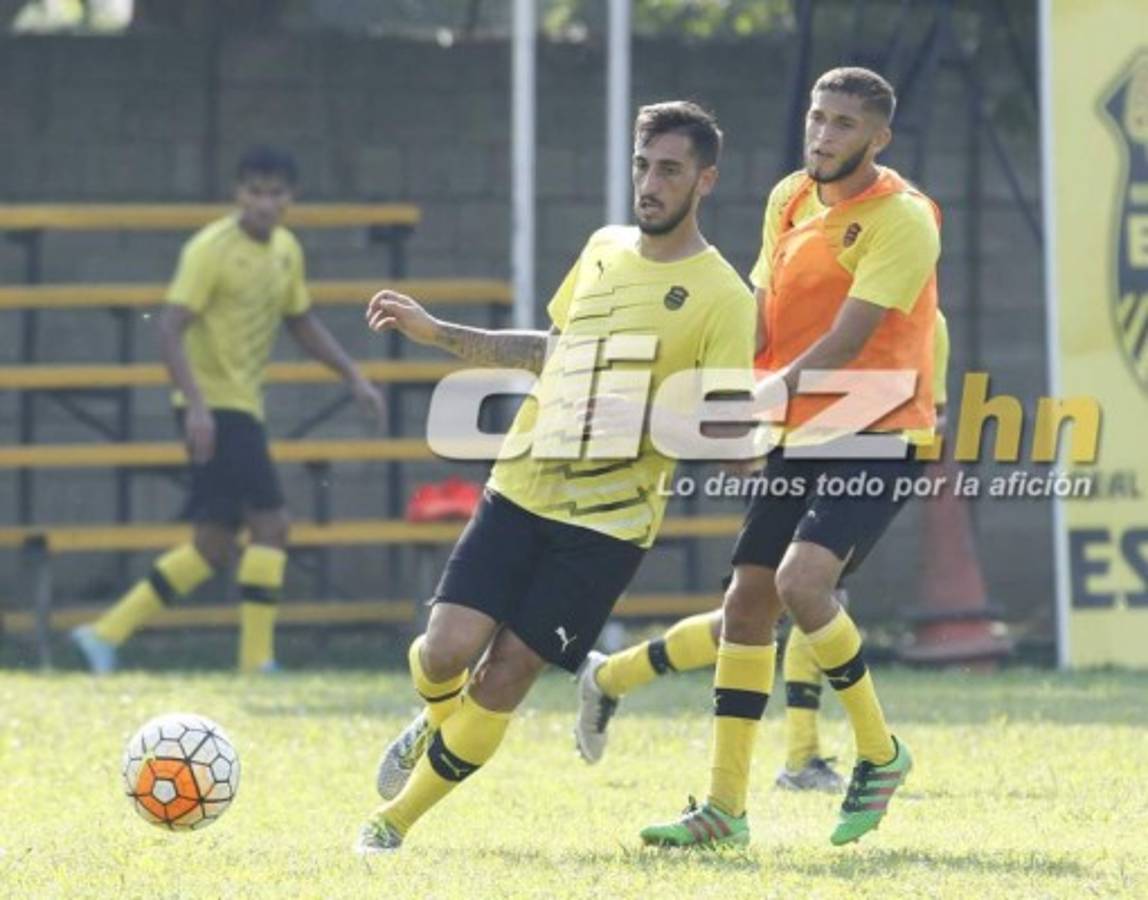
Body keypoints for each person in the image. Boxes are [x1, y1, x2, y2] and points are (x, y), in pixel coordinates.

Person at [354, 101, 757, 854]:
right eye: (643, 165)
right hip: (521, 487)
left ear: (705, 181)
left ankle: (391, 823)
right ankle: (437, 720)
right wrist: (437, 331)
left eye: (669, 170)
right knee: (446, 652)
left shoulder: (726, 297)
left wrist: (705, 431)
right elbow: (550, 350)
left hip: (607, 525)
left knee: (505, 674)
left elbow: (728, 426)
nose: (650, 183)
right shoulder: (604, 246)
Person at [640, 67, 942, 849]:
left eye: (844, 124)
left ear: (879, 138)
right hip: (798, 430)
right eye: (817, 117)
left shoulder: (905, 219)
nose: (823, 135)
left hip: (879, 427)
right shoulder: (788, 198)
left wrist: (756, 401)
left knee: (802, 581)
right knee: (746, 604)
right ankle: (724, 811)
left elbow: (847, 341)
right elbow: (764, 313)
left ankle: (880, 753)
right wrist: (742, 404)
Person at [574, 313, 950, 792]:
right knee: (789, 604)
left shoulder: (922, 319)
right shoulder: (818, 300)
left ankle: (612, 675)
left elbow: (932, 410)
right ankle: (801, 759)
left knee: (764, 614)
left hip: (860, 461)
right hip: (798, 457)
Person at [70, 145, 385, 675]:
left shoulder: (286, 249)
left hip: (239, 405)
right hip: (215, 408)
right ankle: (256, 660)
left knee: (213, 544)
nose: (266, 203)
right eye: (256, 192)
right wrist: (196, 407)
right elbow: (169, 326)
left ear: (292, 197)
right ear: (239, 193)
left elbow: (301, 320)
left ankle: (105, 632)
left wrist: (353, 375)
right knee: (273, 524)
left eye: (276, 193)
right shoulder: (210, 249)